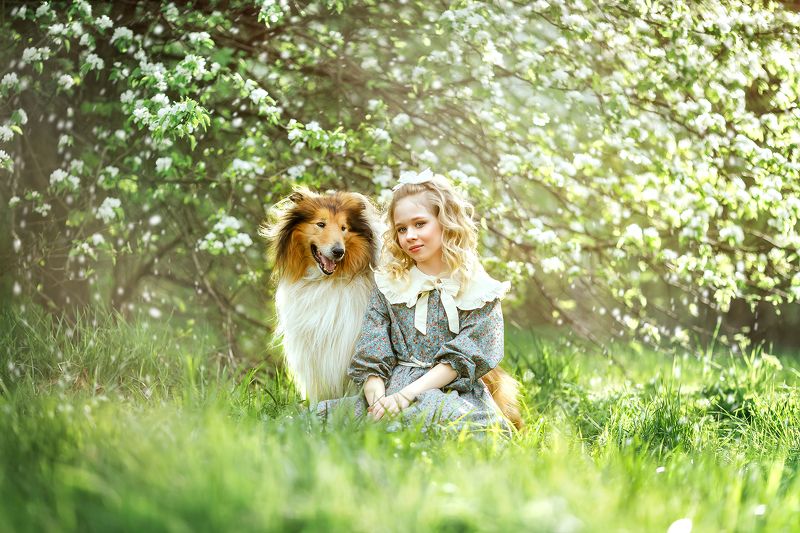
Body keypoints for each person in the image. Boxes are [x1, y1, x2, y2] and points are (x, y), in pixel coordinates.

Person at [316, 169, 513, 436]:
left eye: (420, 224)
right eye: (401, 229)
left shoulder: (478, 290)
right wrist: (379, 404)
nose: (409, 235)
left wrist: (405, 397)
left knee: (453, 425)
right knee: (318, 421)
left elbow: (464, 357)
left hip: (448, 392)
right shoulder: (390, 285)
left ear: (446, 222)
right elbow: (373, 352)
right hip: (389, 392)